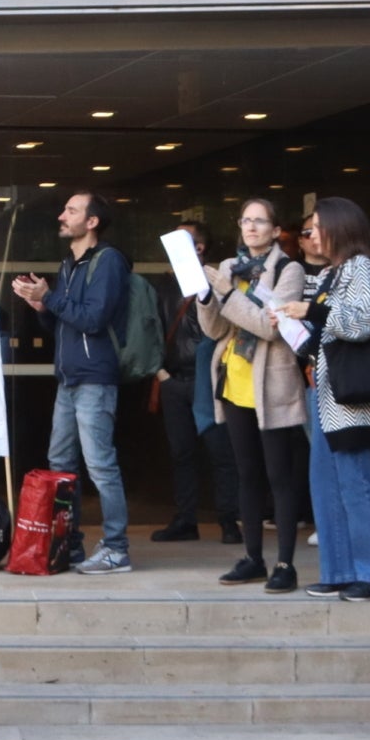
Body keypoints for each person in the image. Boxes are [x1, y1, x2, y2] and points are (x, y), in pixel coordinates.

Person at [12, 192, 133, 575]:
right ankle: (69, 543)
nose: (62, 216)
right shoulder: (69, 264)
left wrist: (51, 297)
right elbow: (65, 323)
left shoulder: (108, 261)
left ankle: (117, 548)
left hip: (95, 378)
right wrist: (42, 307)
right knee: (61, 464)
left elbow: (95, 319)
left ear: (92, 222)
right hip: (68, 379)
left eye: (72, 211)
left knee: (100, 466)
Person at [289, 199, 370, 601]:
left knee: (357, 481)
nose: (312, 234)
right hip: (329, 392)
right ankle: (338, 570)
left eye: (317, 226)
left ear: (339, 227)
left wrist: (312, 309)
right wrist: (293, 324)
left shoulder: (361, 268)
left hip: (355, 396)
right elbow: (325, 333)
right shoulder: (334, 272)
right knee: (326, 483)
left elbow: (362, 322)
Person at [198, 198, 310, 590]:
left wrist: (227, 295)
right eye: (245, 220)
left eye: (260, 221)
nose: (251, 227)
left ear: (276, 230)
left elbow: (269, 326)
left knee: (279, 475)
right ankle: (252, 558)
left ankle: (285, 564)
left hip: (272, 383)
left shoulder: (288, 269)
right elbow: (215, 330)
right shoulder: (230, 267)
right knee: (247, 474)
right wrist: (205, 298)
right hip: (234, 380)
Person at [152, 220, 240, 545]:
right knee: (182, 454)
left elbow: (219, 328)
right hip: (174, 380)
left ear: (199, 248)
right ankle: (185, 519)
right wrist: (160, 373)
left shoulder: (214, 282)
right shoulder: (163, 286)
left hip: (209, 380)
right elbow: (153, 330)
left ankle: (229, 520)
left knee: (221, 452)